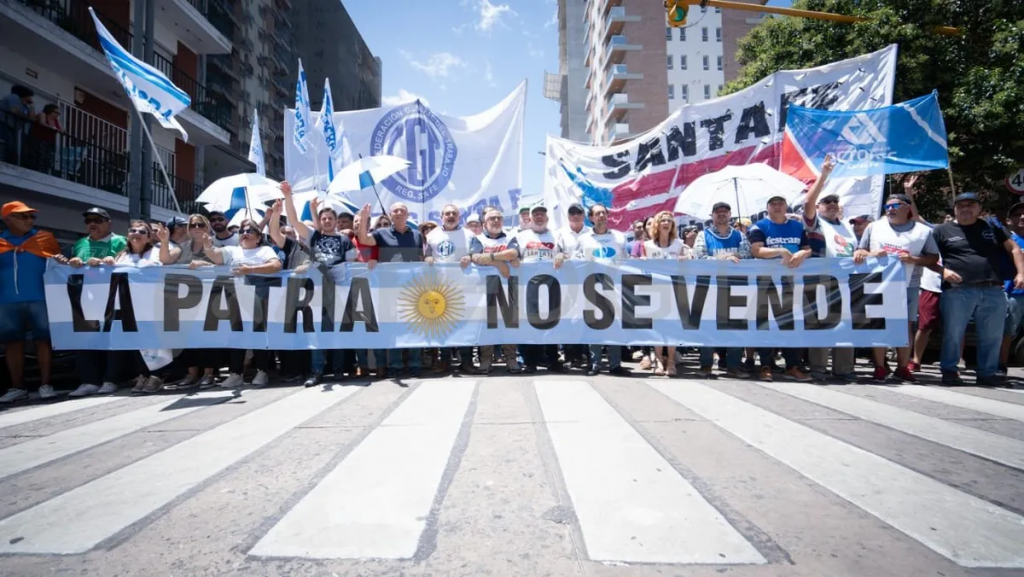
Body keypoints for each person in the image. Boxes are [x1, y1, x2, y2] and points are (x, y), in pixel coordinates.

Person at [932, 192, 1024, 386]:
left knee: (992, 335)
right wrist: (943, 271)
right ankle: (949, 371)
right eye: (961, 205)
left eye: (971, 205)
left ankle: (987, 373)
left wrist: (1021, 273)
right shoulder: (941, 230)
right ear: (955, 209)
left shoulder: (992, 226)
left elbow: (1014, 249)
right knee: (953, 333)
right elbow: (928, 257)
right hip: (957, 290)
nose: (966, 208)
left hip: (993, 289)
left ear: (979, 208)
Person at [70, 221, 163, 396]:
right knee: (131, 342)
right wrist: (103, 263)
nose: (136, 233)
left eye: (142, 231)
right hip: (125, 305)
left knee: (150, 341)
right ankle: (142, 374)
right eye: (132, 230)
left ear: (149, 237)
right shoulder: (122, 255)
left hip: (148, 304)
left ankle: (156, 375)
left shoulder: (156, 252)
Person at [854, 193, 939, 383]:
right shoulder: (874, 227)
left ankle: (902, 366)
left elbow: (933, 258)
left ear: (908, 207)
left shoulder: (923, 231)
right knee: (879, 323)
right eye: (887, 206)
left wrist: (913, 260)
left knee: (906, 325)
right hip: (878, 282)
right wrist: (870, 253)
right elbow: (859, 251)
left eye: (896, 205)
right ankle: (880, 366)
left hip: (908, 284)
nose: (891, 209)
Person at [281, 182, 357, 385]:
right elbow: (295, 220)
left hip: (338, 289)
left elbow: (353, 262)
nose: (327, 221)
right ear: (320, 221)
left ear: (336, 221)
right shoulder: (313, 236)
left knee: (337, 331)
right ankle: (316, 371)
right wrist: (288, 196)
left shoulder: (345, 240)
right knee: (315, 332)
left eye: (330, 218)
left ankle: (339, 370)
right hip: (315, 290)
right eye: (324, 218)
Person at [199, 218, 283, 387]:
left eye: (249, 231)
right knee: (236, 335)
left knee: (257, 334)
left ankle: (262, 371)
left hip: (258, 298)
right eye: (242, 231)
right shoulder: (232, 250)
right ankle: (235, 373)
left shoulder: (265, 250)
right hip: (235, 297)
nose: (245, 234)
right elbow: (215, 256)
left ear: (258, 237)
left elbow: (276, 265)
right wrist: (207, 246)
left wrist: (250, 270)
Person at [491, 202, 566, 374]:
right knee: (528, 324)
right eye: (536, 215)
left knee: (551, 323)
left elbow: (562, 253)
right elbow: (512, 253)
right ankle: (529, 361)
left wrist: (562, 255)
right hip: (527, 287)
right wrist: (513, 259)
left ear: (547, 218)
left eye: (542, 214)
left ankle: (553, 360)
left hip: (550, 286)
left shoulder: (556, 236)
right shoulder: (521, 236)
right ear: (530, 218)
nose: (539, 217)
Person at [748, 195, 813, 382]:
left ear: (786, 207)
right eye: (773, 204)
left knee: (792, 324)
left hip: (793, 283)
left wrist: (803, 252)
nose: (777, 207)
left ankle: (792, 366)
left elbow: (807, 248)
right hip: (767, 282)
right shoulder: (759, 226)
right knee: (766, 324)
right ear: (767, 208)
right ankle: (766, 366)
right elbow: (756, 250)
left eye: (780, 204)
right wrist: (780, 251)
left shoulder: (797, 226)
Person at [356, 201, 425, 378]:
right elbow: (363, 239)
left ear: (408, 215)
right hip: (389, 289)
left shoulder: (417, 235)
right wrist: (364, 219)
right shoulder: (381, 233)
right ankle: (395, 365)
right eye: (396, 210)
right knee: (393, 327)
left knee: (414, 327)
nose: (399, 213)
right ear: (391, 215)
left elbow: (420, 258)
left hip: (413, 289)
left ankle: (415, 363)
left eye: (403, 210)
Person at [0, 201, 60, 403]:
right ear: (7, 219)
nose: (29, 220)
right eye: (23, 216)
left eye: (31, 216)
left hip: (40, 299)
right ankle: (17, 387)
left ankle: (46, 384)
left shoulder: (44, 238)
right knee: (12, 343)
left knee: (43, 341)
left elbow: (58, 265)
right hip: (7, 301)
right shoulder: (1, 242)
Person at [691, 202, 752, 379]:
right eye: (718, 212)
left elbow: (747, 256)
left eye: (725, 212)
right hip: (710, 287)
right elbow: (699, 257)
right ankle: (706, 365)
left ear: (730, 214)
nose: (721, 214)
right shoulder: (704, 235)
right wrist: (724, 258)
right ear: (712, 215)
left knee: (736, 328)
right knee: (708, 327)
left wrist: (735, 257)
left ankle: (734, 365)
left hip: (736, 286)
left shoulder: (740, 235)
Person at [573, 204, 629, 377]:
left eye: (604, 213)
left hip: (615, 287)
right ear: (591, 218)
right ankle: (595, 363)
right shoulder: (584, 238)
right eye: (597, 214)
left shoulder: (619, 237)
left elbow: (627, 261)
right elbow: (576, 259)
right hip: (591, 287)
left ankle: (615, 365)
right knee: (594, 326)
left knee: (615, 327)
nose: (601, 216)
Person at [425, 203, 477, 374]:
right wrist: (427, 259)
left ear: (459, 217)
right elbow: (426, 254)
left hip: (464, 287)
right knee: (443, 326)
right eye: (447, 213)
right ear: (441, 217)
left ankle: (467, 361)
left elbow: (478, 252)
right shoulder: (432, 235)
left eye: (454, 213)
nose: (451, 216)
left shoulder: (468, 234)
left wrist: (470, 256)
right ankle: (445, 361)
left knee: (465, 325)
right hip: (441, 288)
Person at [639, 210, 691, 377]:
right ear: (657, 224)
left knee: (672, 327)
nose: (666, 223)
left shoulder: (678, 245)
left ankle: (671, 361)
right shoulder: (647, 246)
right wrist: (642, 261)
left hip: (674, 289)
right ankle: (659, 360)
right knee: (658, 327)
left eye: (669, 220)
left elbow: (689, 261)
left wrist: (686, 258)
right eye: (663, 220)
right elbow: (640, 267)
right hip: (655, 290)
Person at [469, 207, 520, 374]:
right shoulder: (478, 238)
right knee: (486, 326)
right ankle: (485, 361)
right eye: (492, 218)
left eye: (499, 217)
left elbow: (513, 253)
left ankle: (511, 359)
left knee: (509, 325)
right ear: (485, 223)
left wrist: (490, 258)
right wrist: (499, 262)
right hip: (485, 290)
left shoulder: (510, 236)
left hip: (508, 289)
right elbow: (476, 257)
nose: (496, 221)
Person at [554, 202, 591, 368]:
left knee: (586, 319)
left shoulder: (591, 233)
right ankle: (570, 354)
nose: (575, 215)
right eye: (572, 213)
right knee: (568, 319)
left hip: (587, 281)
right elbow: (556, 254)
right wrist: (561, 255)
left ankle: (585, 354)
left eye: (579, 212)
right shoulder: (560, 233)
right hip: (566, 283)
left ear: (584, 215)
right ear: (568, 216)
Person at [1001, 202, 1024, 372]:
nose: (1022, 217)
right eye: (1017, 215)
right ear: (1009, 220)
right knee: (1008, 330)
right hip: (1013, 293)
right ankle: (1000, 364)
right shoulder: (1006, 241)